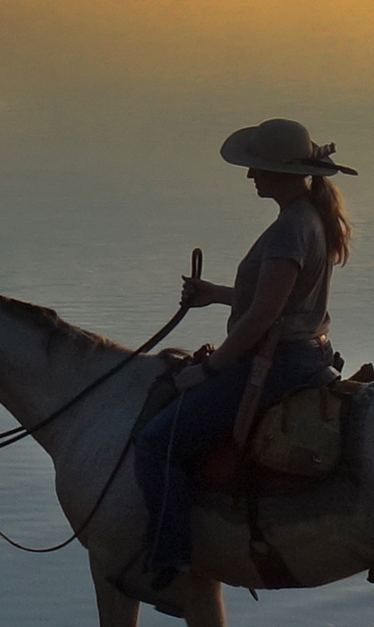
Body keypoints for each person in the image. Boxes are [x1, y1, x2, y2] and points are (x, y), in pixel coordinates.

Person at [123, 117, 355, 600]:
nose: (251, 176)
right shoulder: (305, 219)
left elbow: (261, 321)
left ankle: (169, 562)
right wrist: (217, 295)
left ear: (282, 174)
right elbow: (279, 302)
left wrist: (208, 369)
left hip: (279, 362)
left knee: (156, 442)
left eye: (258, 168)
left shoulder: (290, 230)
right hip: (308, 354)